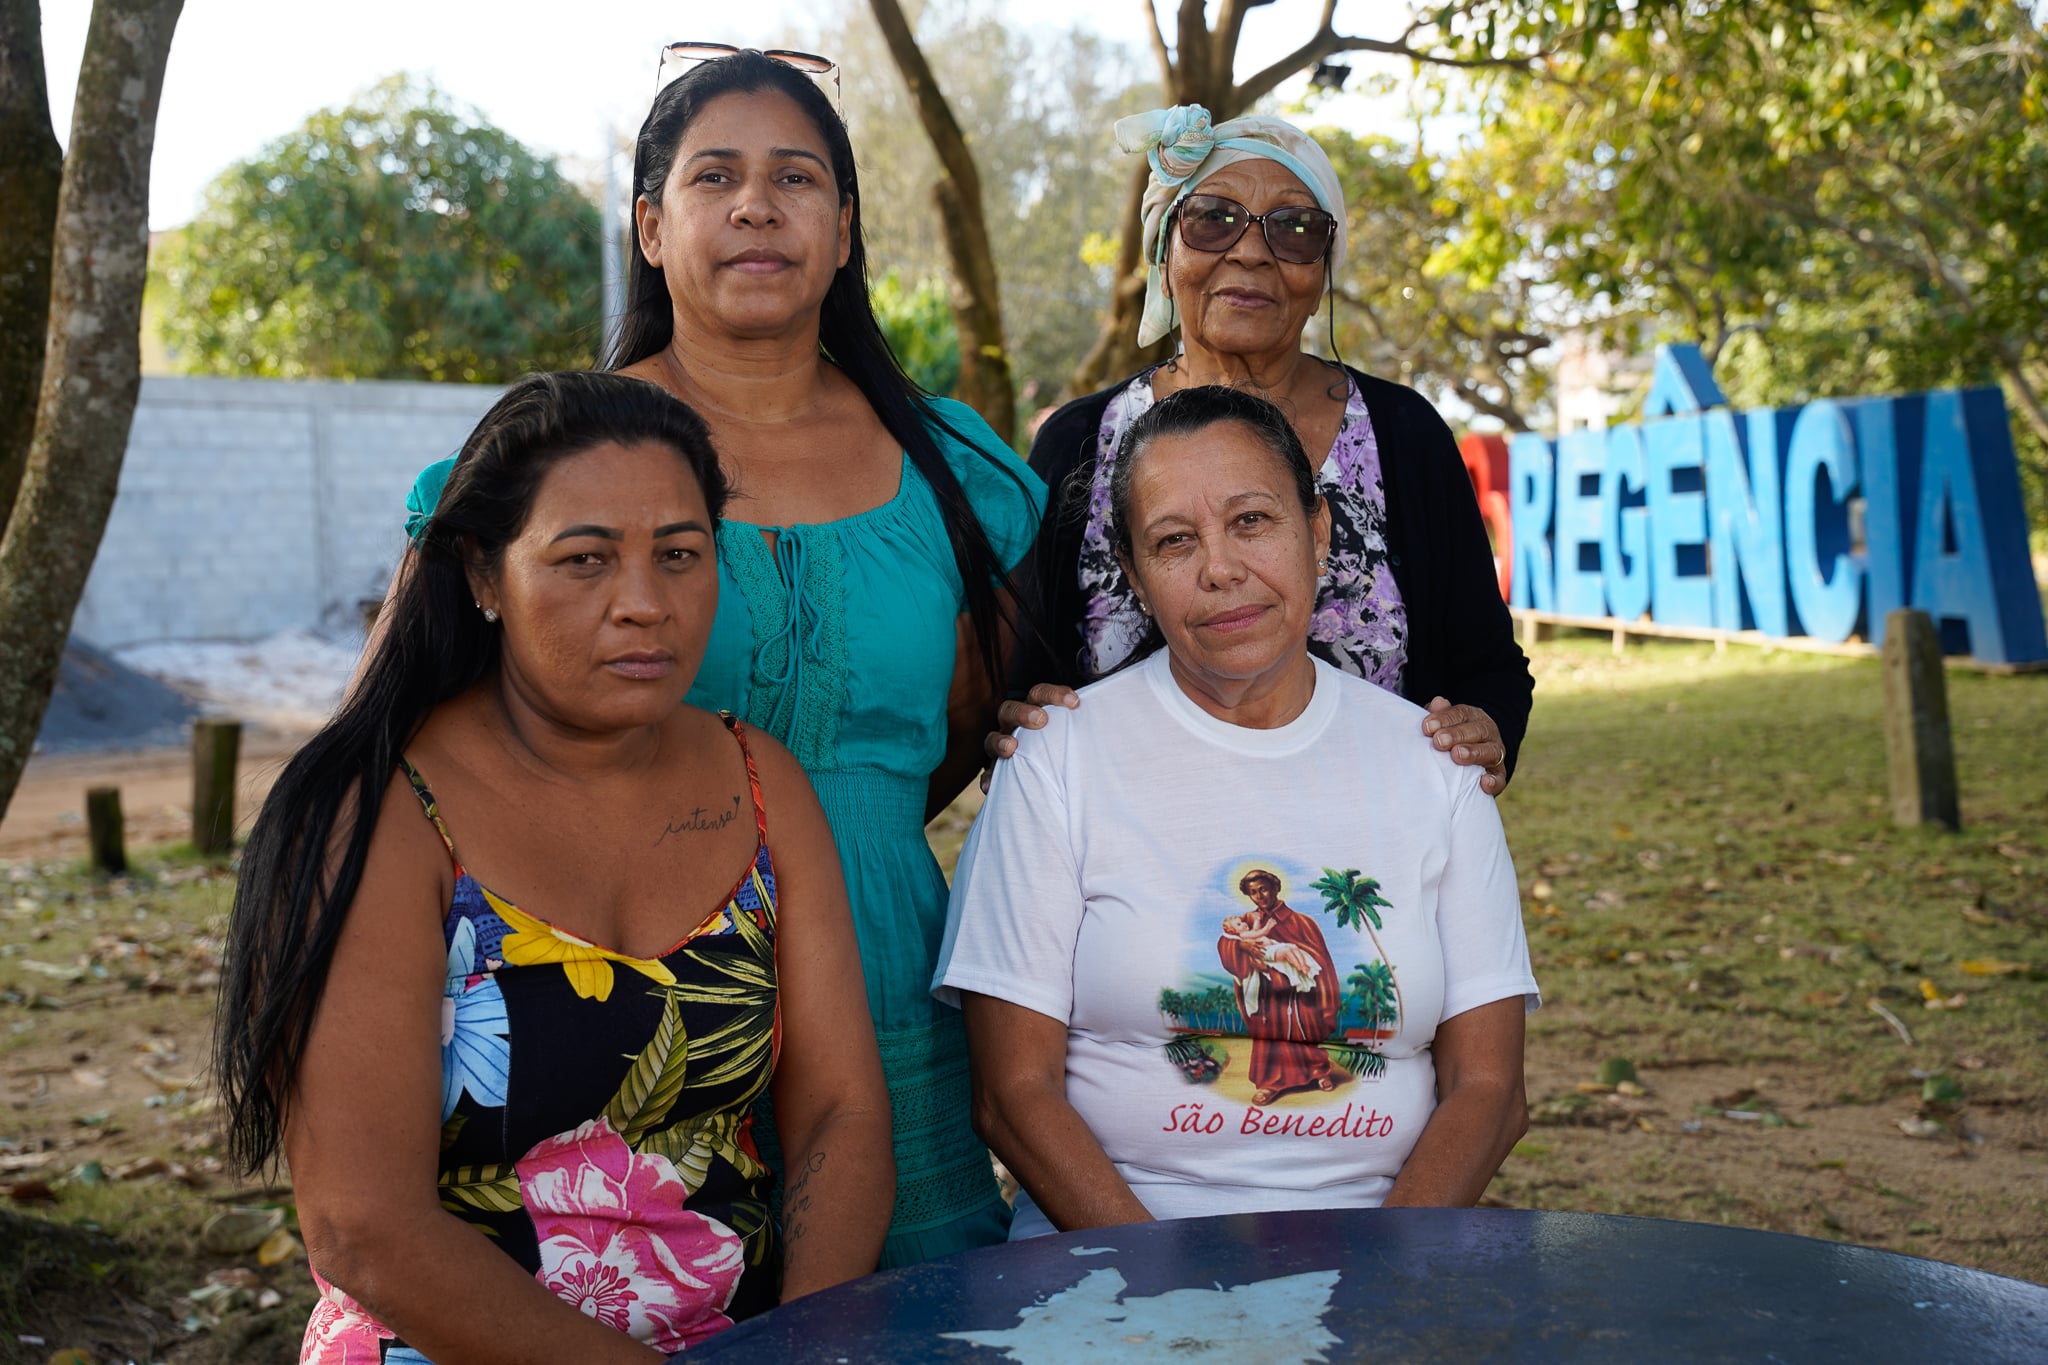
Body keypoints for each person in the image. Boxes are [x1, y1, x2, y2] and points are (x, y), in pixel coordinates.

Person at [396, 49, 1044, 1265]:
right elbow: (405, 766)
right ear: (649, 225)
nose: (757, 205)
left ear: (844, 230)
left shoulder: (954, 468)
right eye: (714, 177)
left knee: (901, 1328)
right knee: (646, 1290)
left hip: (896, 983)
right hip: (623, 1006)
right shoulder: (542, 468)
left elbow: (964, 728)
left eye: (797, 177)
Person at [216, 372, 893, 1363]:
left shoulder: (760, 784)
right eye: (584, 560)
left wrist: (807, 1340)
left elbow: (840, 1108)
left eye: (678, 556)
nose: (642, 605)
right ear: (483, 576)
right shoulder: (378, 817)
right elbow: (362, 1227)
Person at [935, 386, 1538, 1239]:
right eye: (1174, 541)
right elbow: (1010, 1095)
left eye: (1252, 520)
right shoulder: (1055, 761)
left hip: (1379, 1258)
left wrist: (1377, 1279)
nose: (1220, 568)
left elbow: (1491, 1090)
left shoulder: (1435, 763)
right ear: (1136, 576)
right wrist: (1164, 1288)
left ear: (1318, 529)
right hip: (1112, 1258)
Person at [1001, 103, 1531, 794]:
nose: (1250, 251)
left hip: (1363, 840)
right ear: (1165, 255)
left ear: (1323, 276)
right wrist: (1016, 716)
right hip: (1134, 842)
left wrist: (1485, 725)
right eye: (1213, 218)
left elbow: (1488, 666)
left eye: (1295, 230)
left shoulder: (1406, 435)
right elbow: (1020, 674)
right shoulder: (1079, 443)